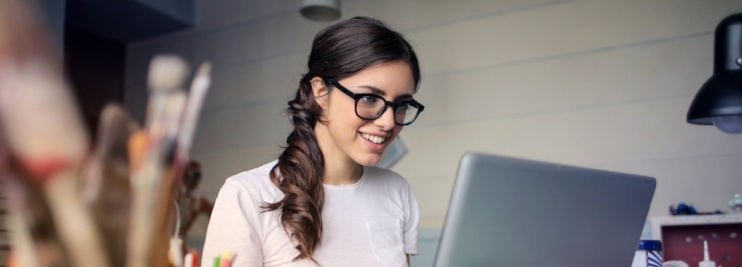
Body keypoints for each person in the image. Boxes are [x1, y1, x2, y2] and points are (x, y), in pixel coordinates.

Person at [201, 16, 424, 267]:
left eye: (402, 104)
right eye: (370, 99)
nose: (389, 122)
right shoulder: (246, 194)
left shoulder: (397, 190)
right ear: (320, 91)